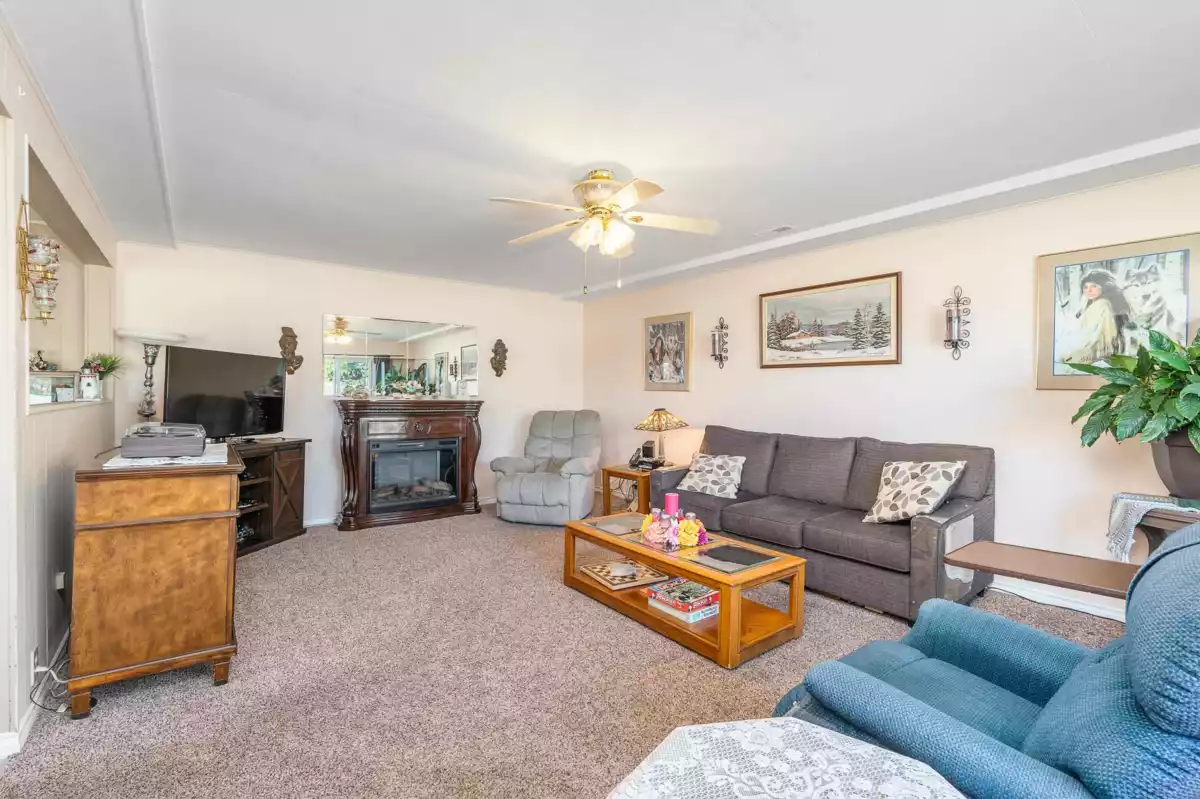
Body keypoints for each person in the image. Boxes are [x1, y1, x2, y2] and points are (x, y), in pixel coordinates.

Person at [1062, 270, 1131, 365]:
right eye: (1085, 287)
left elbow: (1100, 336)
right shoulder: (1093, 305)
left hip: (1097, 352)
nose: (1088, 290)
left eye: (1093, 286)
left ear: (1103, 287)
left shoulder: (1102, 305)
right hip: (1094, 350)